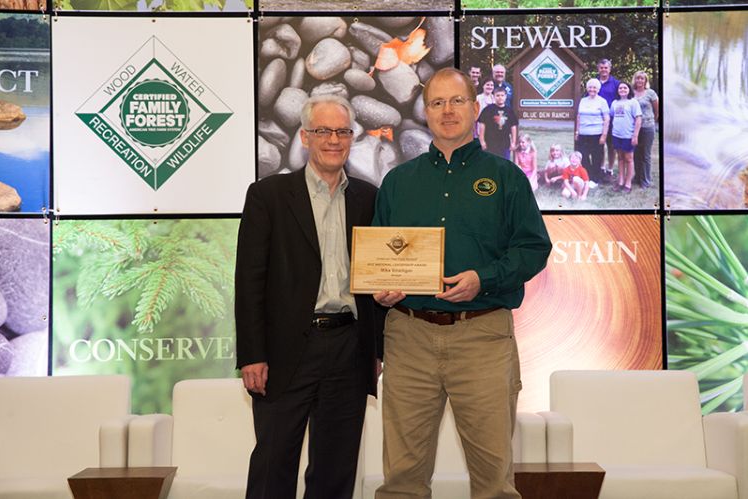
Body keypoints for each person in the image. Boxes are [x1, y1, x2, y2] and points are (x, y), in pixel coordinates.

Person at [372, 67, 552, 499]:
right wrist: (382, 286)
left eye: (456, 101)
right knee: (401, 480)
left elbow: (533, 248)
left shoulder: (507, 178)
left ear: (475, 108)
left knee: (493, 481)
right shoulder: (398, 182)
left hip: (483, 337)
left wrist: (483, 279)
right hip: (408, 337)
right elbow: (379, 257)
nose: (447, 111)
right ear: (425, 111)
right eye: (436, 102)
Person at [235, 94, 383, 499]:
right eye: (323, 131)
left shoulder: (369, 198)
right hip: (284, 351)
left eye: (342, 131)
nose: (333, 140)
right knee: (272, 464)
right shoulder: (268, 195)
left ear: (352, 138)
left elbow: (379, 276)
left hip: (349, 348)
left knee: (336, 470)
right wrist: (251, 353)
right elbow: (249, 280)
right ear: (304, 137)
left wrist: (377, 348)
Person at [575, 78, 610, 185]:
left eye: (594, 87)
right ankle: (587, 176)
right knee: (583, 156)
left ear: (598, 89)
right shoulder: (583, 100)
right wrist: (577, 132)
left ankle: (595, 179)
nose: (592, 89)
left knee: (596, 157)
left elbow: (607, 119)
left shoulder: (602, 101)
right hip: (583, 134)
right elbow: (579, 117)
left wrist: (604, 135)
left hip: (597, 134)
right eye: (590, 87)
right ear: (587, 88)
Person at [609, 81, 642, 193]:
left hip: (628, 135)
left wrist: (635, 135)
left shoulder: (633, 102)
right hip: (616, 135)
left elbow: (638, 119)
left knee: (629, 159)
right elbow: (612, 117)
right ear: (617, 91)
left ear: (629, 90)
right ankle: (621, 181)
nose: (622, 90)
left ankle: (628, 183)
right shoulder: (614, 103)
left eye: (625, 88)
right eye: (620, 88)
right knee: (620, 158)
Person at [632, 70, 659, 188]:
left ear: (645, 81)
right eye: (638, 78)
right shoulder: (631, 93)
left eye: (642, 78)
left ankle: (646, 180)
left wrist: (651, 120)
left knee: (645, 155)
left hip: (648, 127)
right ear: (635, 80)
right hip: (634, 128)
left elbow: (656, 110)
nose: (639, 80)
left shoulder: (651, 93)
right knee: (636, 154)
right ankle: (637, 177)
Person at [478, 86, 517, 160]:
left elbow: (513, 127)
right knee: (490, 163)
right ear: (494, 96)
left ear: (506, 97)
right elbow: (482, 125)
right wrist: (482, 140)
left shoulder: (509, 111)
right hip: (490, 142)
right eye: (498, 95)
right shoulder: (488, 109)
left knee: (504, 163)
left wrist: (513, 142)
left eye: (502, 95)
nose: (500, 97)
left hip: (505, 143)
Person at [595, 59, 620, 176]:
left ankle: (610, 169)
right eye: (601, 67)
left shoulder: (616, 83)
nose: (603, 70)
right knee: (600, 145)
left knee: (611, 146)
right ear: (598, 69)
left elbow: (621, 101)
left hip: (612, 120)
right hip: (596, 120)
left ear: (610, 69)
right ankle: (601, 167)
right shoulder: (594, 82)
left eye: (606, 68)